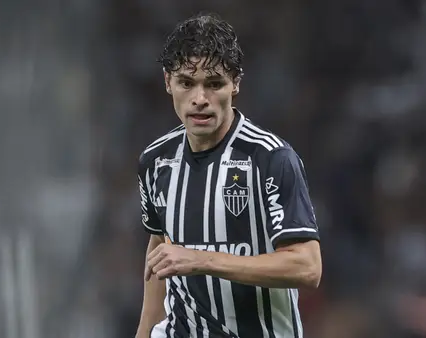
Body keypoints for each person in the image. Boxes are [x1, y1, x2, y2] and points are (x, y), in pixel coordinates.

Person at [135, 13, 322, 338]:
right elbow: (159, 256)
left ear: (235, 82)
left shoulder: (272, 158)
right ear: (168, 82)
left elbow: (307, 266)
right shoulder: (155, 161)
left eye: (214, 83)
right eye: (186, 83)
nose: (200, 99)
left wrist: (202, 260)